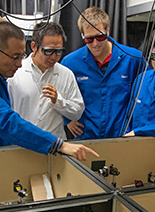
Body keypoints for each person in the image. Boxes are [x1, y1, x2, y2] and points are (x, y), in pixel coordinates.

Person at [0, 21, 98, 161]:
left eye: (21, 56)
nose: (20, 64)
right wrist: (59, 145)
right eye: (15, 57)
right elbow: (6, 122)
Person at [61, 6, 147, 140]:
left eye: (100, 37)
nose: (95, 44)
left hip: (121, 136)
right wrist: (67, 120)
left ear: (107, 30)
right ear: (82, 36)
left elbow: (146, 95)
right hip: (86, 136)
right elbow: (60, 94)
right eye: (89, 39)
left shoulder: (133, 58)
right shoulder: (70, 62)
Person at [8, 22, 84, 140]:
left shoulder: (66, 74)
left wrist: (58, 101)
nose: (54, 57)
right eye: (49, 51)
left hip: (55, 146)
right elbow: (6, 113)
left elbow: (77, 112)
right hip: (22, 145)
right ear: (34, 46)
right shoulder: (15, 72)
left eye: (59, 51)